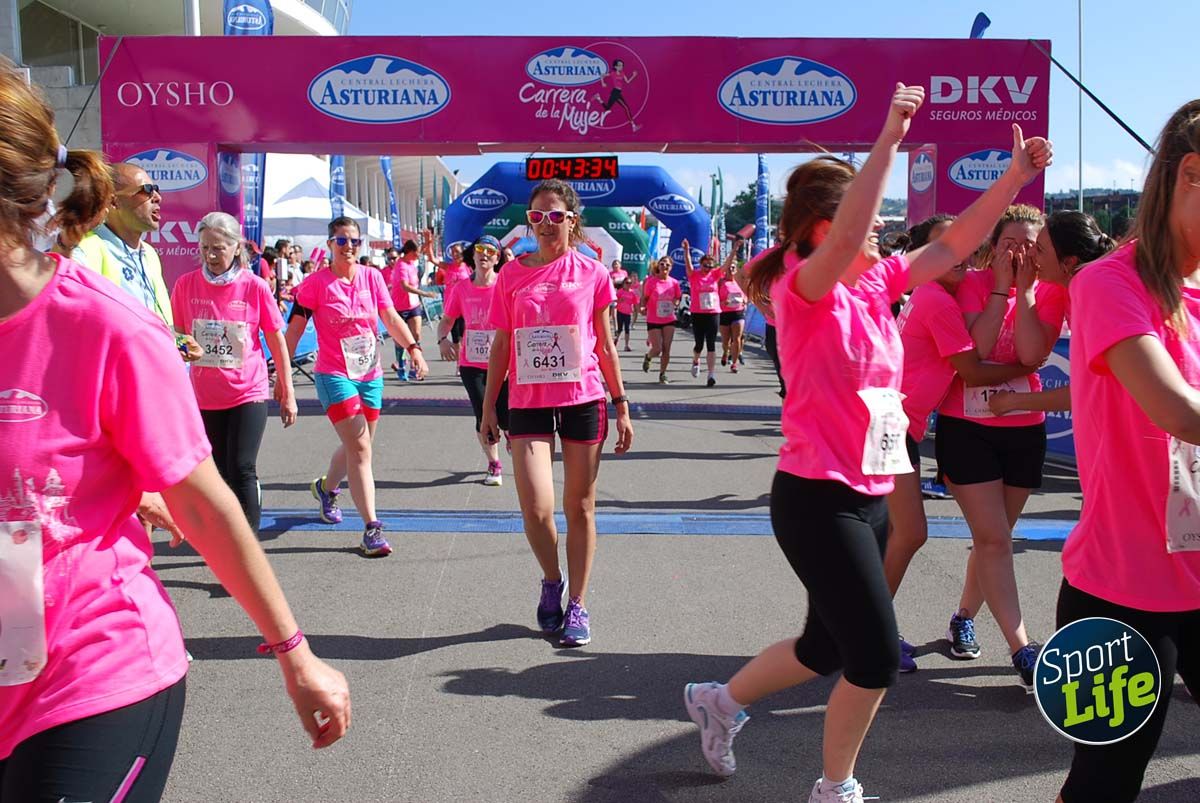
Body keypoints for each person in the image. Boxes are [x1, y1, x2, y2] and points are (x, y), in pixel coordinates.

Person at [682, 85, 1052, 802]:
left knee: (824, 647)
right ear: (824, 229)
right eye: (866, 218)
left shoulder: (875, 286)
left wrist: (1012, 179)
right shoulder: (804, 288)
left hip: (874, 489)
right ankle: (836, 787)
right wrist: (887, 140)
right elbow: (851, 234)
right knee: (876, 657)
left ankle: (716, 702)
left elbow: (951, 242)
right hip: (817, 500)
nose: (882, 230)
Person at [0, 63, 349, 801]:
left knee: (240, 472)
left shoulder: (103, 323)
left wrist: (295, 652)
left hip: (90, 674)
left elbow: (200, 498)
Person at [1050, 98, 1200, 803]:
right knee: (1103, 786)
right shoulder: (1108, 284)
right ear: (1191, 174)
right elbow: (1177, 409)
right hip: (1117, 594)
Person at [480, 179, 633, 648]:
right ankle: (552, 579)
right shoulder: (510, 275)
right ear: (529, 221)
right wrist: (488, 405)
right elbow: (502, 342)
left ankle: (579, 603)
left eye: (555, 216)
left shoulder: (592, 273)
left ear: (572, 219)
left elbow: (606, 344)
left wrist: (621, 403)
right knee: (537, 508)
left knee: (580, 508)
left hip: (583, 398)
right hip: (527, 400)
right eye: (537, 216)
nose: (546, 225)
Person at [884, 215, 1039, 672]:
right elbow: (971, 370)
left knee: (897, 535)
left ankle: (865, 628)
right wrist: (1029, 369)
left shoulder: (936, 294)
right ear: (921, 257)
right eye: (942, 249)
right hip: (890, 425)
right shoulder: (937, 301)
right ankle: (867, 633)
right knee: (908, 534)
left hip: (896, 424)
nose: (958, 257)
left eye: (963, 248)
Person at [933, 204, 1068, 687]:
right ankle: (1023, 648)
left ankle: (963, 615)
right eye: (1010, 243)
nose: (1019, 252)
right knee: (994, 539)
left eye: (1030, 244)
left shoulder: (1048, 292)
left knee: (996, 541)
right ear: (993, 246)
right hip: (965, 427)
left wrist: (1026, 292)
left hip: (1024, 429)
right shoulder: (969, 282)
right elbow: (980, 350)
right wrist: (998, 290)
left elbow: (1033, 354)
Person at [284, 217, 429, 558]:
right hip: (334, 374)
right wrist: (283, 377)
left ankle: (325, 488)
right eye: (341, 241)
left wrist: (414, 349)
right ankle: (371, 529)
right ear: (330, 244)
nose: (349, 247)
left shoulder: (372, 277)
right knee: (361, 449)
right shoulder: (315, 284)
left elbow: (391, 317)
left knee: (357, 445)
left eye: (355, 242)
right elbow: (292, 332)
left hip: (370, 374)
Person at [170, 212, 298, 536]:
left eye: (218, 248)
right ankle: (229, 535)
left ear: (236, 248)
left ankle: (248, 542)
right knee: (221, 471)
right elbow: (177, 336)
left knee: (242, 466)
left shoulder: (254, 287)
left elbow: (275, 339)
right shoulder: (186, 285)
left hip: (248, 391)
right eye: (204, 248)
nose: (211, 256)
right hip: (206, 395)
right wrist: (187, 349)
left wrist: (287, 388)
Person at [986, 210, 1115, 417]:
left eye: (1038, 248)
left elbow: (1094, 388)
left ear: (1069, 262)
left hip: (1121, 429)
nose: (1029, 254)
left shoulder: (1095, 296)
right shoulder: (1072, 291)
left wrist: (1012, 401)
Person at [438, 235, 510, 486]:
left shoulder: (504, 284)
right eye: (480, 249)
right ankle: (494, 464)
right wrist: (442, 339)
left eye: (491, 251)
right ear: (474, 254)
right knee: (483, 414)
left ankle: (513, 441)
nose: (485, 254)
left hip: (504, 361)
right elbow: (447, 320)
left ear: (497, 258)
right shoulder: (461, 288)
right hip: (472, 363)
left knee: (506, 415)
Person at [390, 239, 439, 382]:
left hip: (413, 306)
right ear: (410, 252)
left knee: (416, 335)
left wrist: (429, 242)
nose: (419, 255)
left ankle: (414, 366)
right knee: (400, 340)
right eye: (417, 253)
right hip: (399, 306)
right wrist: (424, 293)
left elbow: (422, 250)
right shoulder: (401, 266)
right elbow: (404, 286)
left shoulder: (412, 262)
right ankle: (400, 365)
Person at [683, 243, 731, 386]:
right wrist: (686, 251)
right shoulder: (694, 275)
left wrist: (734, 250)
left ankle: (711, 374)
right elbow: (688, 264)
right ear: (701, 265)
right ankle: (696, 360)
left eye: (710, 266)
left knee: (711, 344)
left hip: (713, 313)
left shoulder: (715, 275)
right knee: (699, 344)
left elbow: (726, 264)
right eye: (705, 266)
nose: (708, 269)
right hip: (698, 313)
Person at [640, 256, 682, 384]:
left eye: (667, 265)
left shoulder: (674, 283)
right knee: (657, 349)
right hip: (653, 318)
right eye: (662, 264)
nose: (664, 266)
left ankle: (662, 374)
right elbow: (645, 297)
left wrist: (675, 302)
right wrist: (642, 307)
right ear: (658, 266)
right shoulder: (651, 281)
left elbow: (678, 297)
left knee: (666, 348)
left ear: (671, 268)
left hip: (669, 318)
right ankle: (648, 357)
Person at [718, 240, 748, 372]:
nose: (731, 270)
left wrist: (745, 301)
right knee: (726, 341)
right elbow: (715, 298)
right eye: (729, 268)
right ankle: (725, 353)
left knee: (736, 339)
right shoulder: (721, 282)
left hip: (738, 313)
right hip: (725, 313)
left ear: (736, 270)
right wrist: (722, 303)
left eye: (733, 268)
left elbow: (746, 295)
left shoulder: (740, 282)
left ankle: (734, 363)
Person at [591, 59, 640, 132]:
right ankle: (633, 126)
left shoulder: (622, 73)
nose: (621, 67)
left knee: (607, 108)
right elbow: (602, 75)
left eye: (622, 65)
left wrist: (633, 76)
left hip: (618, 92)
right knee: (626, 107)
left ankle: (598, 98)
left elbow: (627, 81)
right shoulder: (613, 73)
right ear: (615, 66)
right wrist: (602, 83)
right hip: (615, 93)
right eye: (619, 65)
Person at [614, 278, 638, 352]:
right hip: (620, 312)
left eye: (630, 283)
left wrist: (636, 310)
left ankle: (626, 345)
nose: (628, 285)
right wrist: (619, 300)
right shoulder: (620, 292)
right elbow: (614, 299)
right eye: (627, 283)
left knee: (627, 329)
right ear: (623, 284)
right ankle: (616, 341)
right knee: (620, 329)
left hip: (628, 313)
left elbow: (635, 303)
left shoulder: (632, 293)